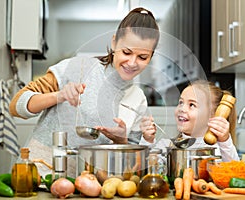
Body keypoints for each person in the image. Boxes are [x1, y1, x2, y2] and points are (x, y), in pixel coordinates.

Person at [9, 7, 160, 175]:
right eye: (126, 52)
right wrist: (58, 96)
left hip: (86, 186)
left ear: (151, 57)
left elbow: (130, 166)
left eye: (142, 57)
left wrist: (121, 140)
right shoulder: (77, 68)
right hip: (37, 175)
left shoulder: (138, 100)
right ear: (114, 42)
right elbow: (16, 106)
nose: (132, 62)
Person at [140, 80, 239, 161]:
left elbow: (234, 173)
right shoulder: (165, 146)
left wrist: (225, 141)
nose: (182, 109)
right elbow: (143, 169)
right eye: (181, 102)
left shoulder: (219, 151)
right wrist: (147, 141)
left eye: (192, 105)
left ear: (214, 115)